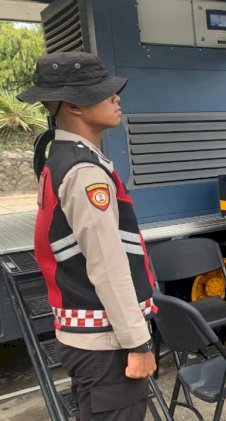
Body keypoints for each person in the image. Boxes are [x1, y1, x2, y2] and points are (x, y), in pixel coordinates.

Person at [18, 51, 157, 419]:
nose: (116, 98)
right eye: (104, 92)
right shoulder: (85, 172)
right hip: (106, 345)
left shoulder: (61, 158)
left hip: (89, 340)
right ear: (73, 105)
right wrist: (139, 342)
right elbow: (108, 267)